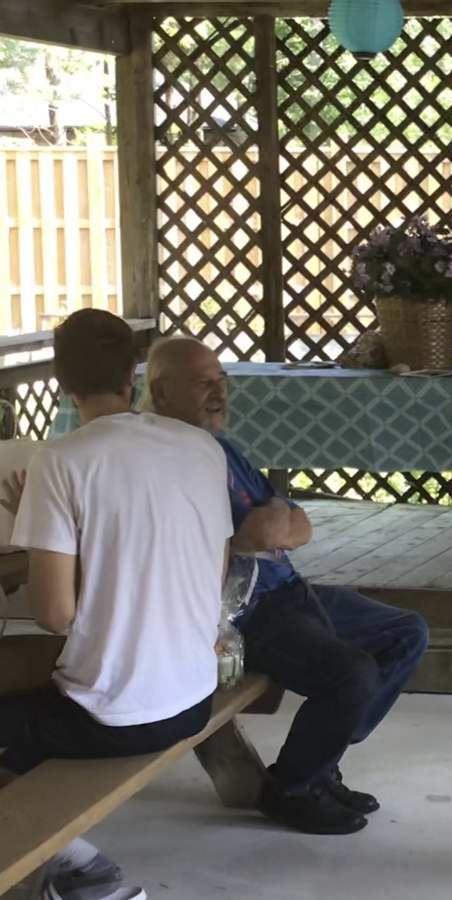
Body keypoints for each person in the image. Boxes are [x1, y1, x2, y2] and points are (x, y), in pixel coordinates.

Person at [143, 336, 429, 836]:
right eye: (202, 383)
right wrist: (272, 522)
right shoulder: (168, 457)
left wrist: (274, 522)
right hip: (243, 613)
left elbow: (294, 525)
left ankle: (323, 756)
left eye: (221, 380)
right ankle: (293, 789)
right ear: (162, 392)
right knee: (350, 673)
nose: (219, 393)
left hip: (286, 589)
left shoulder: (221, 447)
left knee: (406, 632)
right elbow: (262, 532)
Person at [0, 310, 231, 900]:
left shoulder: (62, 460)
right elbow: (210, 567)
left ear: (61, 381)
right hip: (195, 694)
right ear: (133, 375)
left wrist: (44, 534)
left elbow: (54, 615)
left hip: (115, 717)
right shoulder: (202, 446)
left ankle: (89, 875)